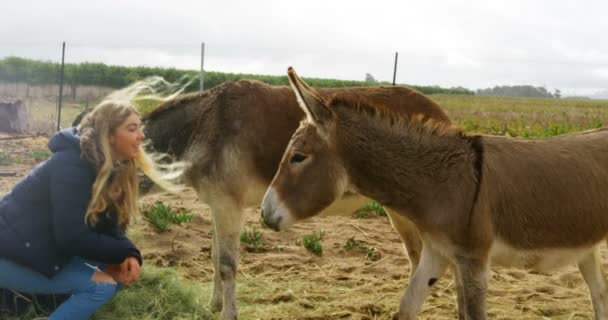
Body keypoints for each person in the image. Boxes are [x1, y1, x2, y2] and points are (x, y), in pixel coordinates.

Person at [0, 99, 182, 319]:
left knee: (120, 270)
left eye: (140, 128)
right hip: (11, 252)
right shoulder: (71, 166)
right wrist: (118, 254)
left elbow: (106, 223)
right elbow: (71, 236)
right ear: (109, 136)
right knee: (100, 288)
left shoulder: (101, 166)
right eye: (132, 129)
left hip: (34, 245)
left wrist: (128, 253)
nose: (142, 136)